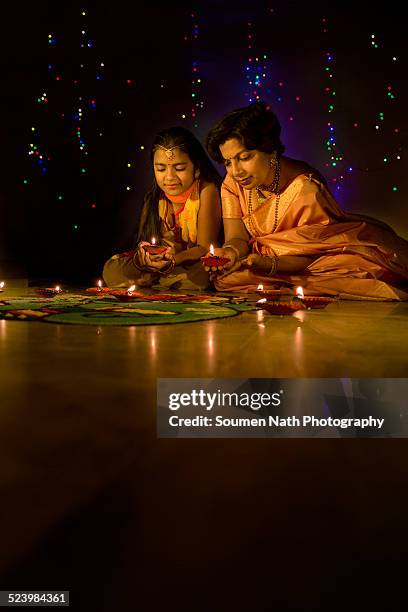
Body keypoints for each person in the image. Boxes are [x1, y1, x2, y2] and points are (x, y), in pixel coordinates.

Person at [205, 101, 408, 300]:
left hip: (317, 259)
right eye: (228, 162)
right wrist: (230, 252)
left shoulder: (305, 187)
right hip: (263, 260)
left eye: (245, 157)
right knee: (225, 279)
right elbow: (237, 238)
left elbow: (309, 255)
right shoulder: (233, 183)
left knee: (361, 271)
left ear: (270, 149)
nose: (236, 171)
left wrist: (267, 264)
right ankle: (281, 281)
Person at [103, 127, 222, 290]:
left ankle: (157, 282)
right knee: (112, 269)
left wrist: (173, 261)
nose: (169, 177)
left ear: (197, 168)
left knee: (201, 276)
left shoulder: (207, 191)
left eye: (179, 168)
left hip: (190, 263)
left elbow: (204, 247)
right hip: (164, 265)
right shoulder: (153, 198)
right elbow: (145, 242)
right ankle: (162, 281)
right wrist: (144, 260)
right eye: (161, 169)